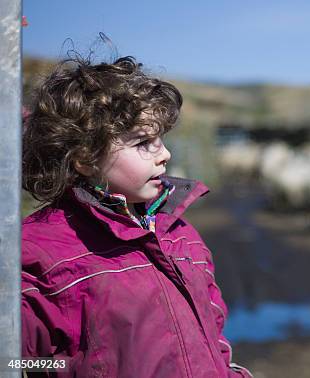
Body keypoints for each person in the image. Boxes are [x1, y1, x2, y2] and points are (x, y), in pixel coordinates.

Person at [21, 55, 252, 377]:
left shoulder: (181, 235)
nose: (166, 154)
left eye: (161, 139)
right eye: (144, 142)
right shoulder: (36, 253)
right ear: (85, 158)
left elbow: (213, 334)